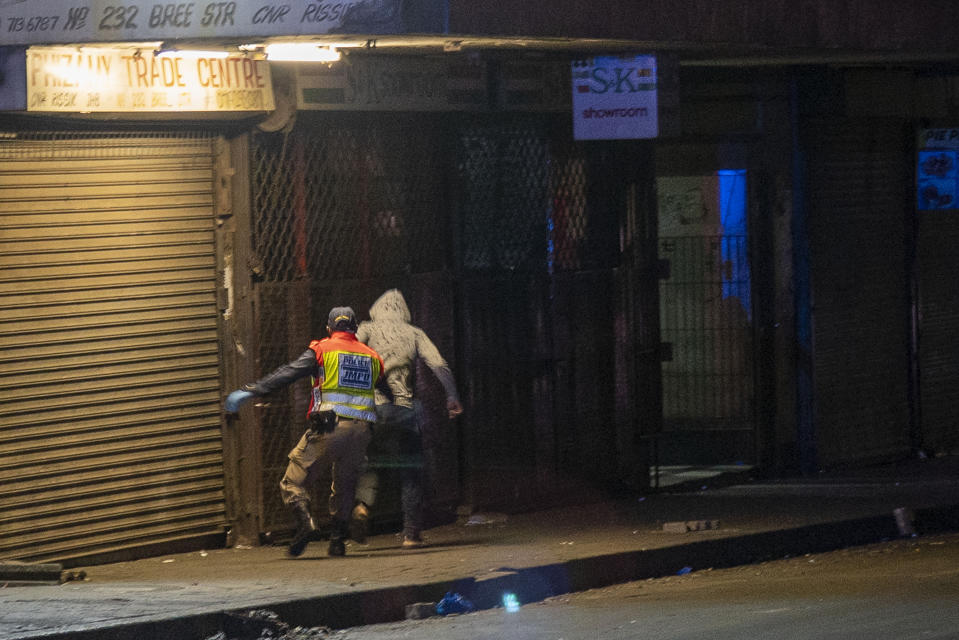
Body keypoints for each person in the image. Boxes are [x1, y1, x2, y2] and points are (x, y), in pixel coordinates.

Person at [224, 307, 385, 558]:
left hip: (330, 427)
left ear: (329, 328)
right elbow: (384, 389)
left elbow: (288, 373)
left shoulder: (322, 349)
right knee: (345, 484)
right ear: (354, 329)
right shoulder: (373, 356)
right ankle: (337, 542)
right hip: (362, 431)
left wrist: (252, 390)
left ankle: (306, 523)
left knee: (292, 480)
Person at [353, 289, 463, 548]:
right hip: (405, 411)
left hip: (375, 409)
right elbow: (439, 365)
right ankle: (411, 534)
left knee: (372, 464)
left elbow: (351, 354)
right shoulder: (414, 333)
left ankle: (362, 507)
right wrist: (452, 396)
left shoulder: (367, 329)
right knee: (410, 472)